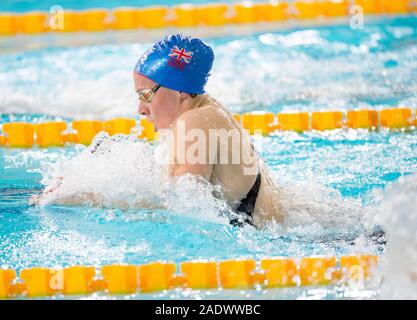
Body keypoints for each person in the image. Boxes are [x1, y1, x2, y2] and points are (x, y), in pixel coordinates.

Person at [30, 34, 285, 228]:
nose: (141, 109)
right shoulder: (207, 112)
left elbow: (187, 206)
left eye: (146, 95)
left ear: (181, 91)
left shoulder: (194, 122)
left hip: (284, 238)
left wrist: (89, 197)